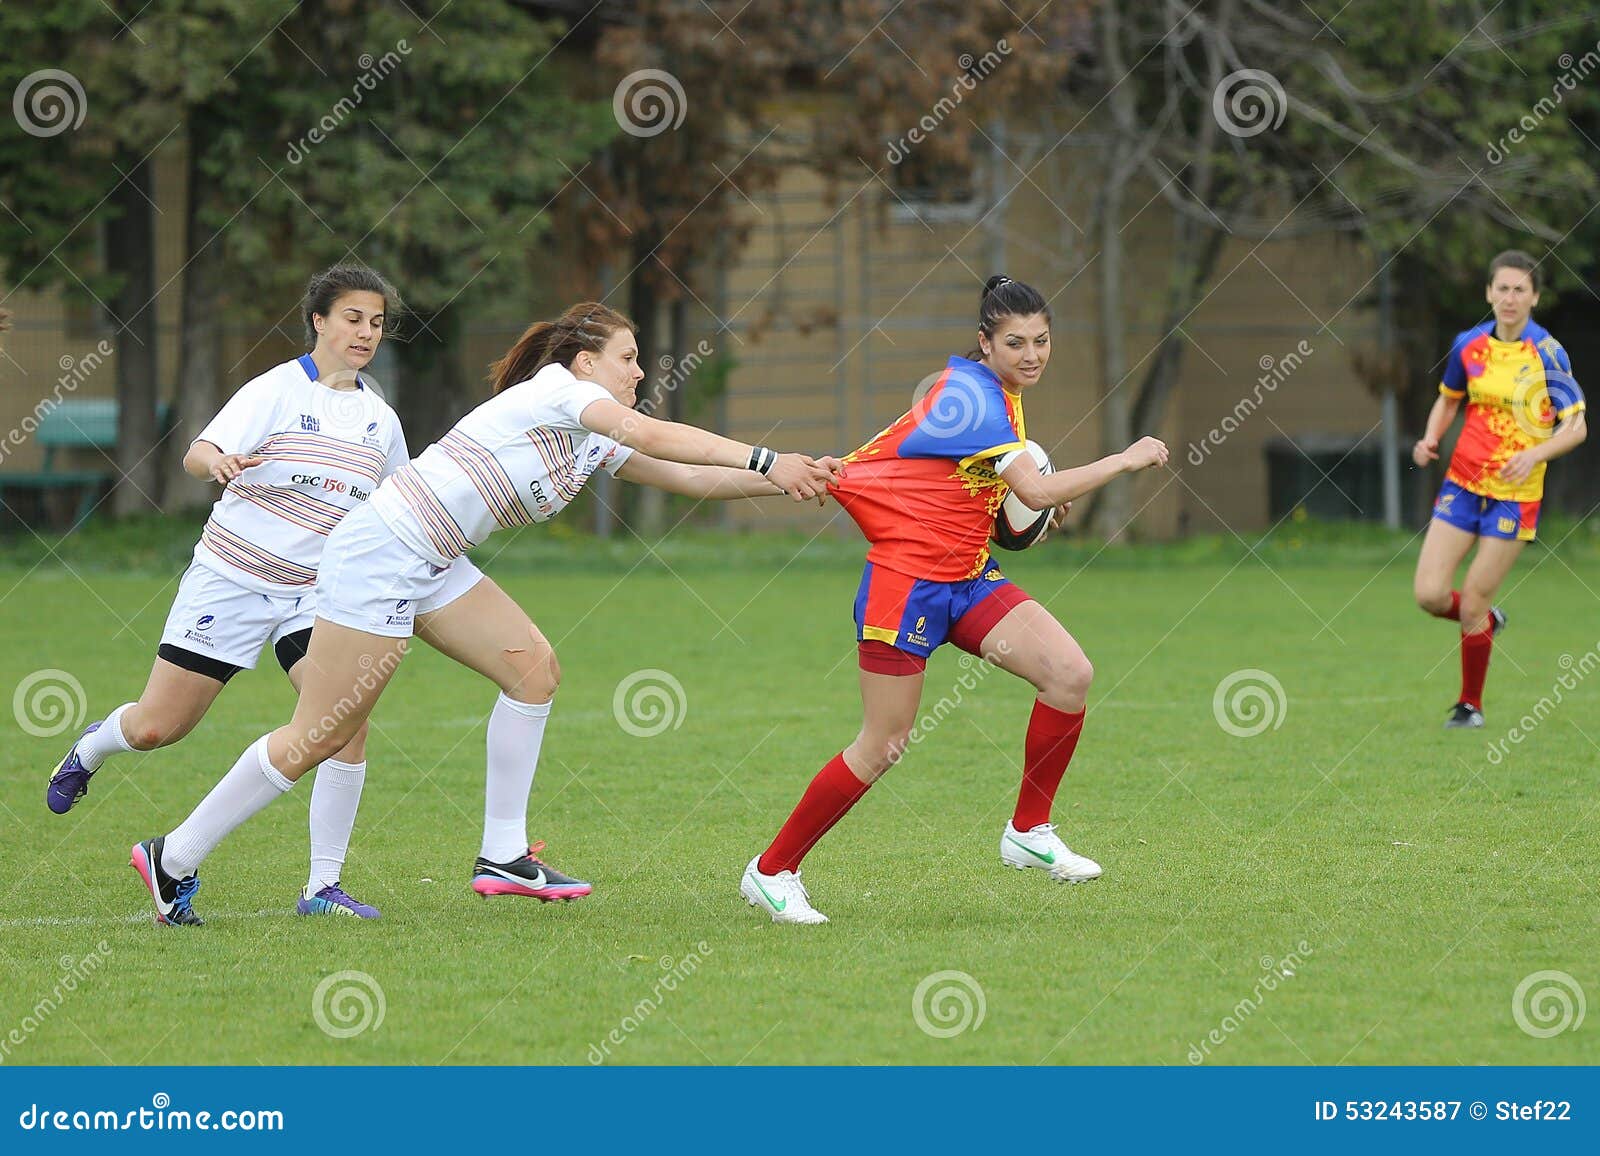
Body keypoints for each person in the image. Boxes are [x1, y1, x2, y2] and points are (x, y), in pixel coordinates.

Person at [129, 301, 844, 926]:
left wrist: (789, 480)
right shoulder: (561, 391)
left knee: (533, 669)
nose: (638, 372)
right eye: (628, 359)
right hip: (382, 551)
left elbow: (685, 473)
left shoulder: (593, 429)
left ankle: (504, 855)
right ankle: (175, 856)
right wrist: (765, 456)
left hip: (433, 558)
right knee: (320, 733)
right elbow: (656, 436)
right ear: (586, 361)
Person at [739, 275, 1169, 925]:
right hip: (904, 587)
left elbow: (975, 484)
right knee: (883, 743)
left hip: (967, 580)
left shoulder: (1000, 391)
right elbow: (1036, 487)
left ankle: (1028, 832)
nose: (1032, 355)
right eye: (1016, 343)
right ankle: (771, 871)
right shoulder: (972, 397)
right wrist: (1124, 459)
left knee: (1069, 675)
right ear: (984, 344)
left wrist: (1015, 507)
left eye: (1042, 341)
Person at [50, 264, 409, 920]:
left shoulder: (380, 421)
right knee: (161, 727)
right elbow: (198, 451)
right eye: (353, 317)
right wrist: (216, 462)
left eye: (378, 322)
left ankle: (321, 887)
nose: (366, 332)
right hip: (233, 580)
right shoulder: (274, 390)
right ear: (319, 321)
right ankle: (98, 743)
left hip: (313, 596)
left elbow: (401, 503)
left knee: (342, 722)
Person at [1412, 250, 1586, 728]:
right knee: (1429, 594)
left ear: (1534, 297)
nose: (1510, 298)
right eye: (1502, 288)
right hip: (1463, 484)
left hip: (1515, 494)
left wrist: (1534, 453)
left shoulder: (1547, 353)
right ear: (1489, 293)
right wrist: (1431, 437)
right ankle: (1485, 620)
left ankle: (1470, 706)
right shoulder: (1468, 345)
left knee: (1472, 599)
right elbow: (1448, 402)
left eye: (1520, 290)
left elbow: (1576, 429)